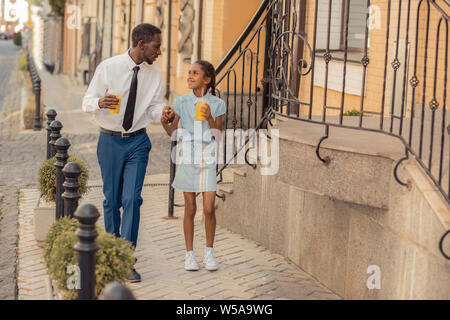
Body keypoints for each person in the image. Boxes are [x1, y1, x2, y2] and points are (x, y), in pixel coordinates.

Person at [82, 23, 169, 282]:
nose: (159, 51)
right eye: (156, 46)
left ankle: (127, 258)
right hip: (109, 141)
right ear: (142, 45)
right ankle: (111, 254)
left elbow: (153, 108)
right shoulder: (109, 67)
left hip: (138, 142)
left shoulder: (156, 74)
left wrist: (162, 112)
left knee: (132, 199)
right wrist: (99, 102)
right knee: (112, 201)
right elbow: (87, 101)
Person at [161, 60, 226, 271]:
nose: (189, 76)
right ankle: (189, 254)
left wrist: (208, 118)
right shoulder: (180, 102)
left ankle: (209, 252)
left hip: (207, 155)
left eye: (195, 73)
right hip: (187, 155)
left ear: (206, 79)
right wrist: (165, 121)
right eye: (189, 73)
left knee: (208, 209)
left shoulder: (217, 104)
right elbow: (173, 132)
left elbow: (217, 135)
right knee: (190, 207)